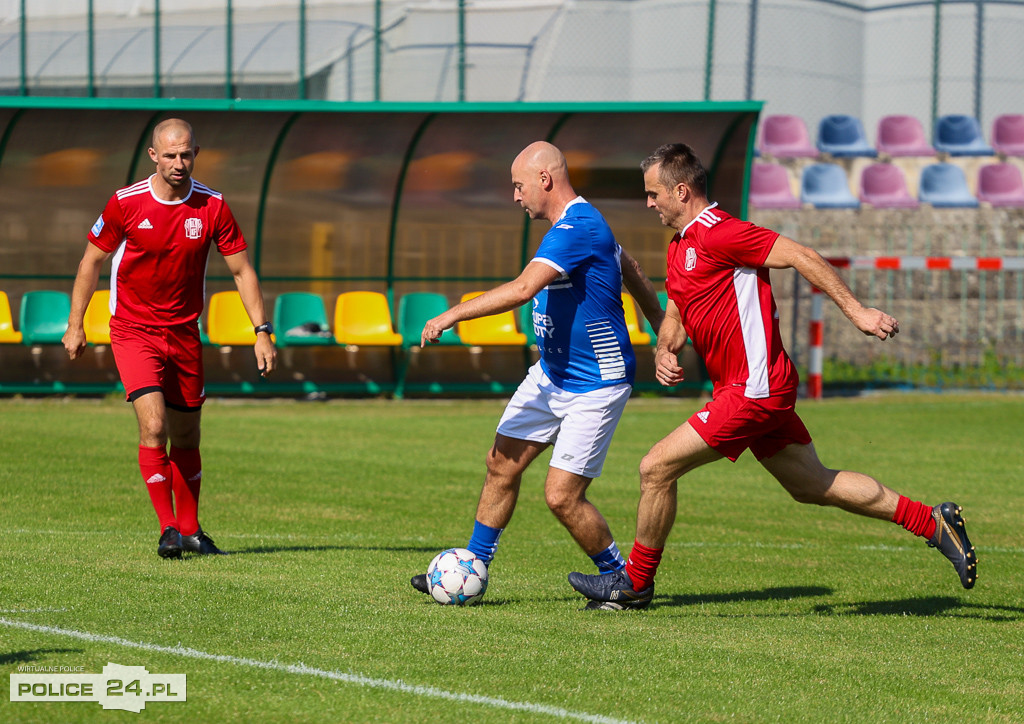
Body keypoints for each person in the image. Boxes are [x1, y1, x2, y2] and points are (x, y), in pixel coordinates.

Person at [568, 142, 977, 610]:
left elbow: (801, 255)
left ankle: (634, 584)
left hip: (754, 389)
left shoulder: (723, 232)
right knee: (811, 484)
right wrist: (664, 348)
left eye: (652, 193)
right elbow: (677, 314)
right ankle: (933, 522)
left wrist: (856, 310)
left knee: (655, 467)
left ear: (681, 191)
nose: (648, 203)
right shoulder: (682, 247)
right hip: (751, 389)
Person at [410, 141, 664, 595]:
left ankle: (624, 580)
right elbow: (630, 265)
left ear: (544, 180)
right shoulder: (582, 223)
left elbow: (525, 288)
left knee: (561, 496)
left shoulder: (576, 226)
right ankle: (472, 565)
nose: (515, 195)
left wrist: (452, 314)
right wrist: (662, 325)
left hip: (595, 384)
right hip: (552, 374)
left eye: (518, 185)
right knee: (500, 465)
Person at [62, 118, 277, 559]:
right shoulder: (126, 204)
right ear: (154, 156)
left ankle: (192, 529)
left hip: (184, 332)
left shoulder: (213, 206)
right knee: (154, 426)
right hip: (133, 330)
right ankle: (168, 530)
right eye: (172, 155)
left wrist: (261, 331)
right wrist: (76, 323)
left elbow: (241, 270)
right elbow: (91, 262)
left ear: (196, 153)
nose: (180, 163)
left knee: (187, 436)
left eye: (188, 154)